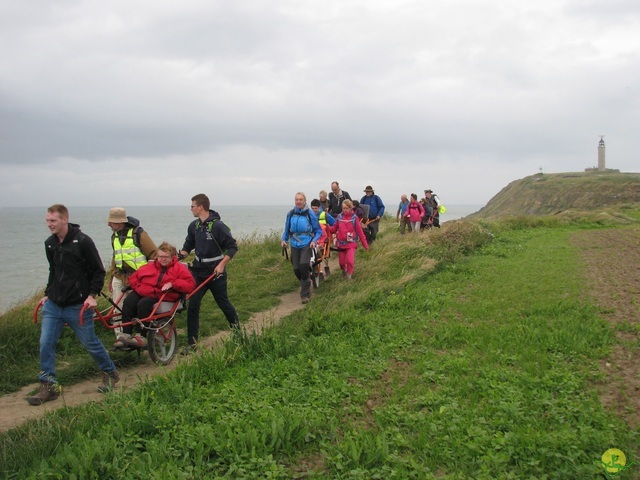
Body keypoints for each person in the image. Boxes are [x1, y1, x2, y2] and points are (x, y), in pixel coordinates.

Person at [28, 204, 119, 405]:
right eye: (47, 220)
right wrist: (47, 294)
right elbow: (54, 271)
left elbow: (98, 271)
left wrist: (92, 295)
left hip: (78, 305)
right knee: (45, 343)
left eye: (53, 220)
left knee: (90, 343)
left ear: (64, 220)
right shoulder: (50, 244)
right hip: (54, 305)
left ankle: (110, 372)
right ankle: (48, 386)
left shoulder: (83, 242)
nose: (49, 224)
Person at [179, 194, 240, 353]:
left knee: (223, 303)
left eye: (192, 206)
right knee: (193, 305)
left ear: (201, 207)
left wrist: (221, 265)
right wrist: (178, 255)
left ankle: (238, 333)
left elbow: (232, 247)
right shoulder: (193, 226)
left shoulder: (218, 226)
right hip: (198, 272)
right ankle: (192, 343)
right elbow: (188, 246)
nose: (190, 209)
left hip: (215, 273)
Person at [114, 242, 195, 349]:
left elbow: (190, 285)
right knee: (129, 301)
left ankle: (141, 336)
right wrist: (139, 287)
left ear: (172, 257)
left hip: (162, 295)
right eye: (160, 256)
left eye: (166, 257)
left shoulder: (179, 268)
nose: (163, 259)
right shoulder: (149, 266)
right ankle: (126, 334)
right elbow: (133, 278)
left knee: (144, 304)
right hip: (144, 291)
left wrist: (173, 284)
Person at [107, 207, 157, 338]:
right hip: (119, 277)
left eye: (111, 222)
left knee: (136, 307)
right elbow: (115, 257)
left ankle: (142, 335)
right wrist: (111, 279)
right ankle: (121, 338)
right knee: (117, 309)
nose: (108, 224)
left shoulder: (139, 234)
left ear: (119, 222)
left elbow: (154, 254)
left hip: (138, 278)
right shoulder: (114, 236)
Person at [281, 192, 323, 303]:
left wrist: (314, 241)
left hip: (307, 243)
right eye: (297, 199)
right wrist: (284, 240)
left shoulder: (310, 214)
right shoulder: (290, 214)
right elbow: (287, 229)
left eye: (301, 199)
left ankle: (305, 294)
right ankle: (306, 282)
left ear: (305, 201)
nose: (298, 201)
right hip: (294, 243)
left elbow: (318, 230)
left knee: (303, 265)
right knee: (296, 269)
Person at [328, 200, 369, 280]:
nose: (344, 210)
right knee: (342, 263)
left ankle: (349, 276)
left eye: (346, 208)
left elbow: (360, 232)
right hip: (341, 244)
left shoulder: (354, 218)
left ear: (351, 208)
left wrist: (365, 245)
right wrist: (326, 227)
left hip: (351, 244)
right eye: (343, 208)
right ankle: (344, 271)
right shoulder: (339, 217)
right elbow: (334, 229)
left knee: (350, 261)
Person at [310, 198, 335, 277]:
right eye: (313, 208)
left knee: (325, 254)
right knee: (316, 254)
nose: (314, 210)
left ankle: (326, 267)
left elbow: (333, 223)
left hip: (325, 237)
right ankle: (319, 272)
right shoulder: (309, 216)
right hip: (314, 237)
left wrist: (331, 230)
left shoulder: (324, 214)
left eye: (316, 208)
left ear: (319, 207)